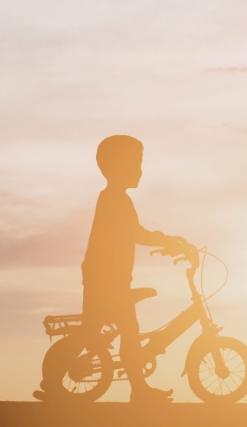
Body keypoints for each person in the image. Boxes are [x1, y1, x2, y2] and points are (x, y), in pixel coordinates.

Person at [65, 135, 187, 403]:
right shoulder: (114, 200)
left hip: (107, 279)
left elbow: (132, 233)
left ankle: (136, 389)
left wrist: (165, 241)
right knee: (122, 332)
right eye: (136, 163)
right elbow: (134, 233)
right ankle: (139, 391)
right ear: (118, 167)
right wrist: (166, 241)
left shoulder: (114, 199)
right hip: (106, 280)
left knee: (103, 330)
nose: (140, 170)